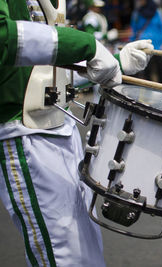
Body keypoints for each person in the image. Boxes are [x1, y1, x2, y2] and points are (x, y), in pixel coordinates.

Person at [0, 0, 153, 266]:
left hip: (59, 126)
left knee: (86, 255)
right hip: (24, 133)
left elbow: (41, 67)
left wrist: (113, 61)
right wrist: (87, 46)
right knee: (66, 259)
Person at [130, 0, 162, 83]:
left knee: (161, 69)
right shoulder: (136, 13)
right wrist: (132, 43)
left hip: (158, 46)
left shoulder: (157, 12)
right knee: (147, 71)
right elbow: (134, 30)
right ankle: (149, 93)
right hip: (144, 46)